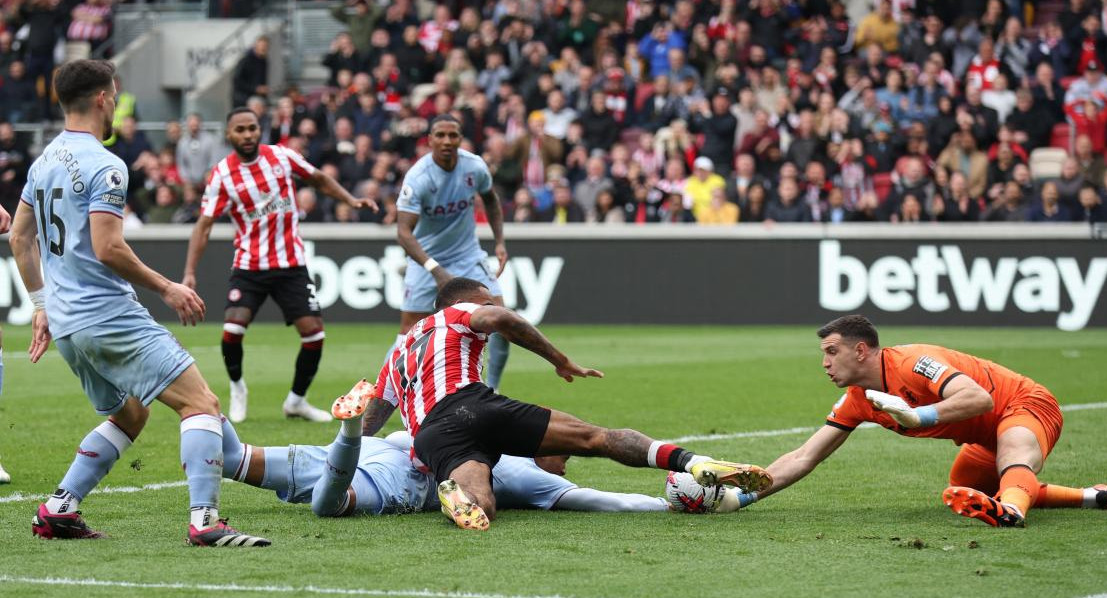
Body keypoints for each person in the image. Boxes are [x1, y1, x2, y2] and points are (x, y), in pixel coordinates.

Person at [8, 59, 268, 546]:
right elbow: (108, 247)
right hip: (107, 315)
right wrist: (168, 287)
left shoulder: (42, 162)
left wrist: (42, 305)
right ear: (105, 98)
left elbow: (20, 239)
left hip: (67, 324)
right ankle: (206, 521)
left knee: (130, 412)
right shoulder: (106, 164)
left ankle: (59, 508)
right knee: (201, 404)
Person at [364, 277, 772, 530]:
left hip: (432, 436)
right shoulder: (461, 311)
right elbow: (502, 321)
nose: (493, 306)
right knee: (595, 437)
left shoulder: (399, 349)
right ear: (468, 300)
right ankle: (692, 463)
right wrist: (560, 361)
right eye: (487, 300)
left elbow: (373, 417)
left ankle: (457, 498)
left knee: (482, 509)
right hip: (470, 404)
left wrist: (350, 460)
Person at [734, 315, 1106, 527]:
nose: (825, 363)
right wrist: (740, 496)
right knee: (966, 487)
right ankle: (1093, 497)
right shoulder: (859, 401)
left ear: (861, 350)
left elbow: (979, 398)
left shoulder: (914, 362)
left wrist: (918, 416)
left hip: (1024, 404)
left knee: (1012, 456)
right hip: (983, 435)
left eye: (833, 352)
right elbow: (803, 457)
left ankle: (1010, 514)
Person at [218, 380, 673, 517]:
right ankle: (351, 434)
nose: (564, 464)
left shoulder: (517, 461)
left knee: (237, 460)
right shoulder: (530, 476)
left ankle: (351, 436)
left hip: (397, 448)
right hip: (401, 474)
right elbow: (602, 501)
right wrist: (664, 506)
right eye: (563, 457)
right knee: (327, 506)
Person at [182, 108, 377, 423]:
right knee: (232, 330)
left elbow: (319, 178)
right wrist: (190, 271)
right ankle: (237, 387)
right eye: (240, 130)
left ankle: (296, 401)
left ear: (260, 130)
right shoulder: (222, 174)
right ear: (229, 135)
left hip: (291, 264)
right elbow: (203, 225)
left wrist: (350, 200)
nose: (248, 135)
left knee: (314, 335)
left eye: (252, 128)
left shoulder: (281, 157)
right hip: (249, 265)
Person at [388, 115, 512, 391]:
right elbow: (403, 233)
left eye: (452, 135)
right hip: (425, 259)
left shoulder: (475, 166)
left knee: (502, 321)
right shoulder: (418, 178)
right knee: (409, 333)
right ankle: (387, 397)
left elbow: (491, 200)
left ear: (460, 139)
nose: (446, 141)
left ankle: (490, 389)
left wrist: (500, 241)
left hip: (468, 255)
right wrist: (435, 269)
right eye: (440, 135)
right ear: (430, 139)